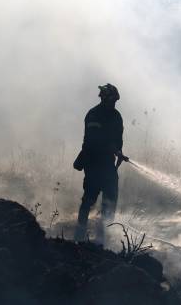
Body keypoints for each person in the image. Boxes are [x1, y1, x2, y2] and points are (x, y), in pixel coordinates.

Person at [73, 83, 129, 243]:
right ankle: (79, 236)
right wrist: (109, 146)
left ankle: (103, 237)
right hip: (92, 162)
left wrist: (118, 151)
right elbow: (92, 138)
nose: (113, 103)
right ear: (104, 98)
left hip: (107, 164)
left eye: (114, 101)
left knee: (110, 199)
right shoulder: (93, 114)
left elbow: (118, 139)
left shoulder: (116, 116)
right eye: (111, 100)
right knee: (88, 199)